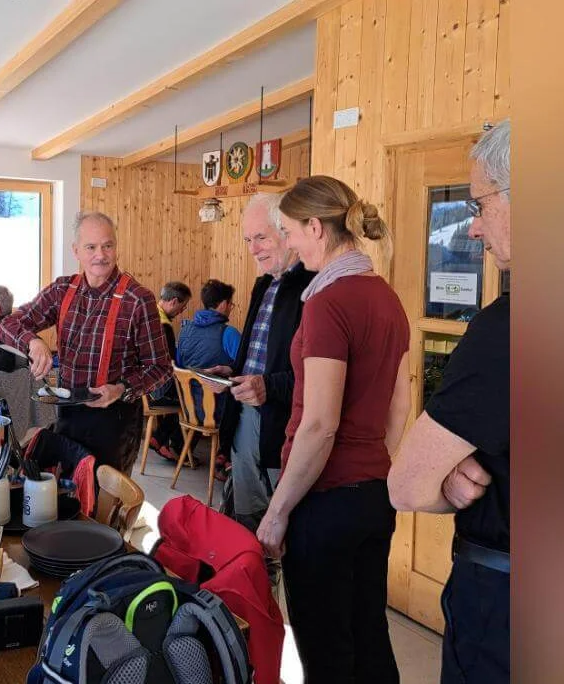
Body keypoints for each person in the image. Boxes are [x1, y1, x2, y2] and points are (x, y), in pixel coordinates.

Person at [256, 176, 410, 683]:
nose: (289, 244)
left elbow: (320, 424)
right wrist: (371, 470)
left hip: (326, 501)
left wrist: (277, 512)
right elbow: (397, 407)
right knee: (368, 636)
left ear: (316, 228)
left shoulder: (329, 302)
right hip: (372, 498)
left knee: (325, 650)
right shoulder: (385, 296)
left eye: (289, 231)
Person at [388, 120, 511, 684]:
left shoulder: (510, 331)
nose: (476, 227)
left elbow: (407, 485)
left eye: (480, 203)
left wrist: (445, 477)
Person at [0, 211, 172, 473]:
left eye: (107, 246)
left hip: (116, 421)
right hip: (68, 415)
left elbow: (160, 367)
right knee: (69, 494)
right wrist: (33, 342)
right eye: (91, 247)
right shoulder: (61, 290)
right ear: (76, 251)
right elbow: (6, 325)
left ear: (116, 248)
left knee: (106, 503)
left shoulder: (138, 299)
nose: (100, 255)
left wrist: (121, 389)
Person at [202, 193, 315, 532]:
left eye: (261, 237)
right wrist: (232, 373)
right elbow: (258, 351)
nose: (253, 248)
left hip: (286, 428)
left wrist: (268, 386)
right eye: (248, 240)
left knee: (285, 525)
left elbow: (321, 377)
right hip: (244, 416)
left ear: (288, 232)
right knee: (248, 520)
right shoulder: (264, 283)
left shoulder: (314, 285)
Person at [175, 279, 241, 432]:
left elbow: (179, 368)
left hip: (188, 407)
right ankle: (225, 453)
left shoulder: (185, 330)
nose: (231, 308)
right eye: (231, 304)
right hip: (217, 411)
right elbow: (246, 368)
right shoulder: (229, 333)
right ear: (224, 304)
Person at [149, 280, 192, 460]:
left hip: (145, 387)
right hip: (157, 389)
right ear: (173, 301)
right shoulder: (164, 326)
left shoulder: (150, 316)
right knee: (193, 399)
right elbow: (171, 365)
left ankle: (158, 438)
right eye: (182, 307)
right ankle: (174, 447)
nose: (181, 311)